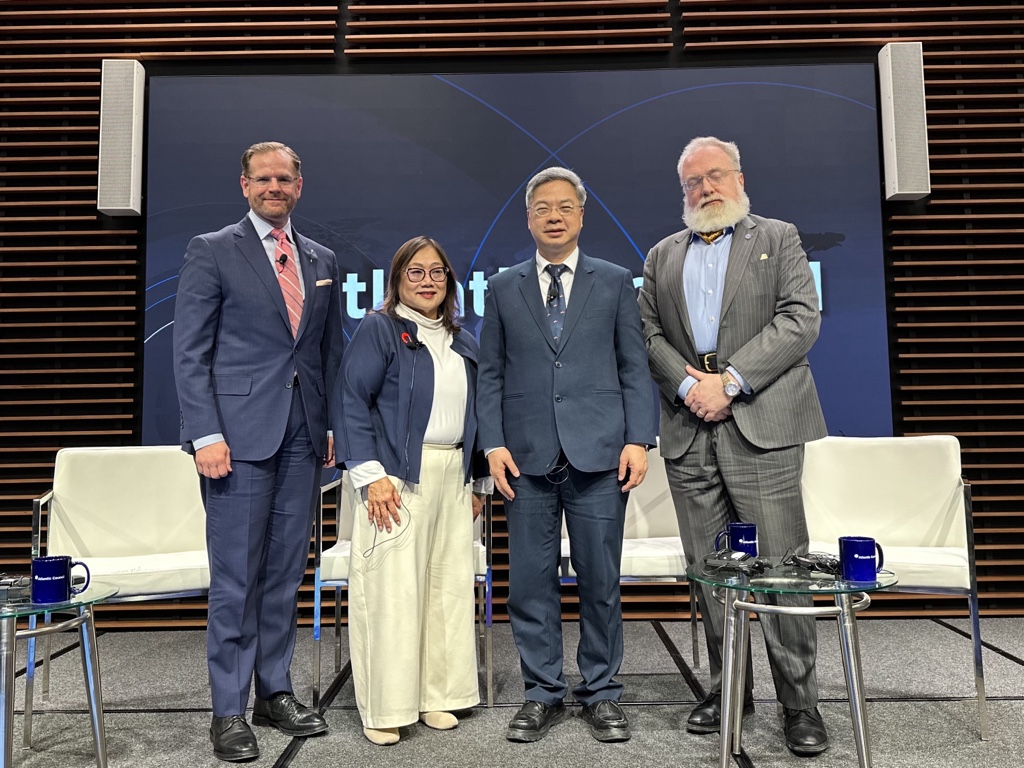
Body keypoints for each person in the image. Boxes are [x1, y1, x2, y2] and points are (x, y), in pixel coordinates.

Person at [638, 136, 829, 755]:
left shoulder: (779, 238)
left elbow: (800, 319)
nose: (706, 189)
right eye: (693, 182)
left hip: (761, 425)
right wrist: (690, 385)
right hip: (689, 430)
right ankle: (729, 691)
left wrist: (731, 383)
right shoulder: (662, 255)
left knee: (780, 570)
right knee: (712, 573)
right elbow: (648, 333)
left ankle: (799, 704)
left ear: (739, 179)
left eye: (715, 176)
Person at [173, 141, 343, 762]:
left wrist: (330, 425)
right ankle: (228, 710)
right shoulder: (212, 249)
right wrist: (205, 433)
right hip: (235, 441)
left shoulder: (320, 258)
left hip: (302, 437)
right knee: (236, 579)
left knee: (283, 574)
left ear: (300, 185)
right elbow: (189, 352)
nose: (275, 187)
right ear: (244, 185)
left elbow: (326, 351)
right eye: (263, 178)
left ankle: (274, 692)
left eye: (284, 179)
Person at [477, 167, 656, 744]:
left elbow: (634, 366)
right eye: (542, 208)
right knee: (529, 584)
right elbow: (491, 373)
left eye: (564, 207)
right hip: (525, 459)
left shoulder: (615, 280)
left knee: (600, 580)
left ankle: (602, 692)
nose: (554, 216)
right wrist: (492, 443)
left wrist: (639, 438)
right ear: (528, 219)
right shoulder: (503, 286)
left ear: (581, 215)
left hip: (600, 454)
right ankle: (542, 692)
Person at [334, 236, 489, 746]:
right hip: (395, 477)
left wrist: (479, 479)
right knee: (393, 593)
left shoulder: (464, 341)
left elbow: (480, 414)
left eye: (437, 272)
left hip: (453, 475)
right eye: (416, 272)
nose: (427, 281)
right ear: (398, 279)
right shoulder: (380, 329)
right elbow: (351, 399)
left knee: (446, 590)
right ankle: (386, 706)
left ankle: (436, 695)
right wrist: (369, 474)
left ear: (450, 281)